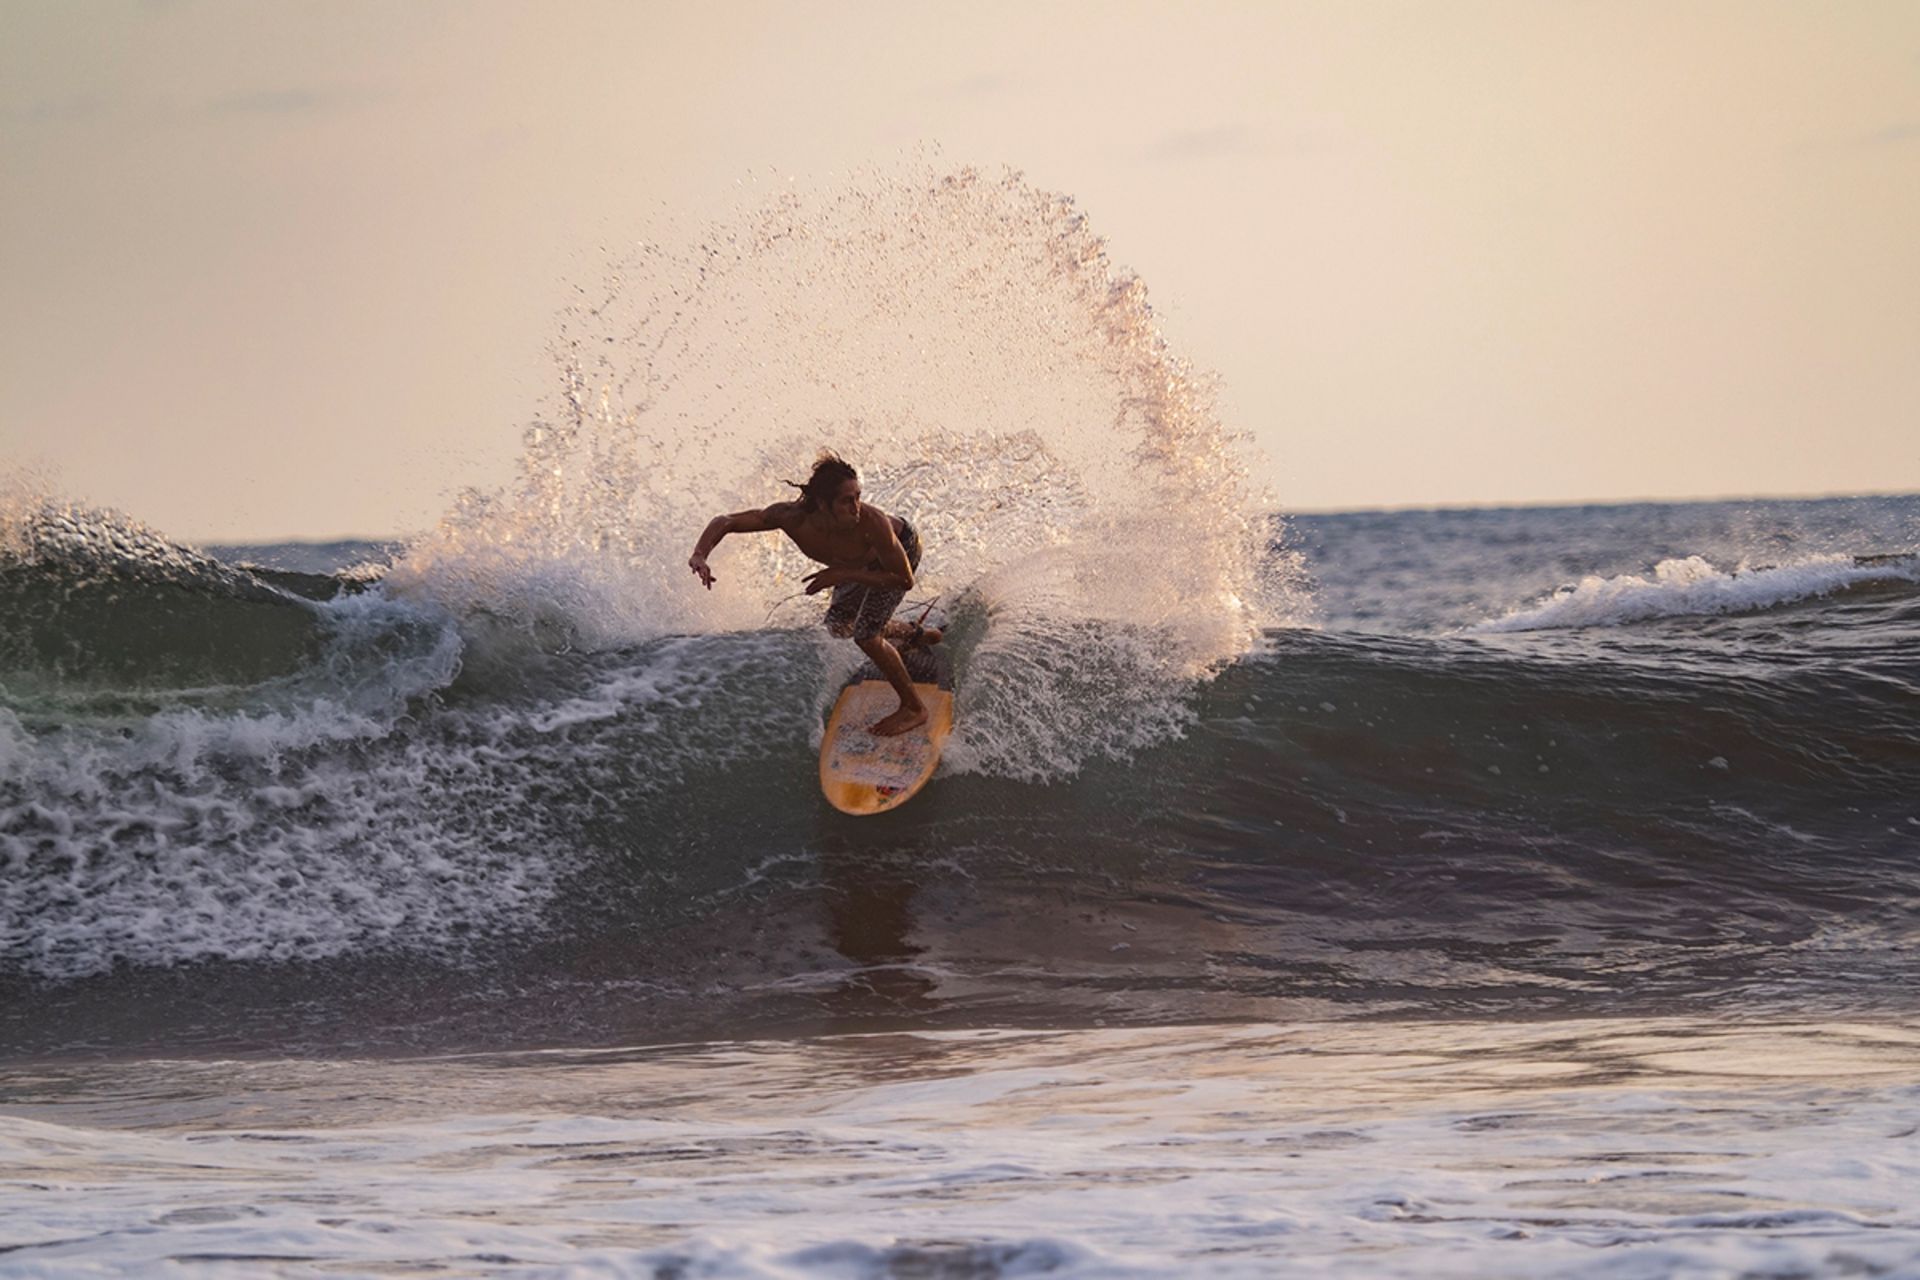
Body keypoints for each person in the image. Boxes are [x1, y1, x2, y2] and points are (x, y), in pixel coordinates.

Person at [688, 451, 939, 737]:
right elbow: (727, 520)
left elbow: (903, 580)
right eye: (847, 501)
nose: (856, 507)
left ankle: (914, 709)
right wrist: (700, 554)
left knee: (866, 636)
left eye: (858, 497)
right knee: (838, 625)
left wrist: (843, 574)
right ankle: (913, 634)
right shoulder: (791, 518)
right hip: (856, 564)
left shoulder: (874, 523)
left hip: (899, 553)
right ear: (822, 503)